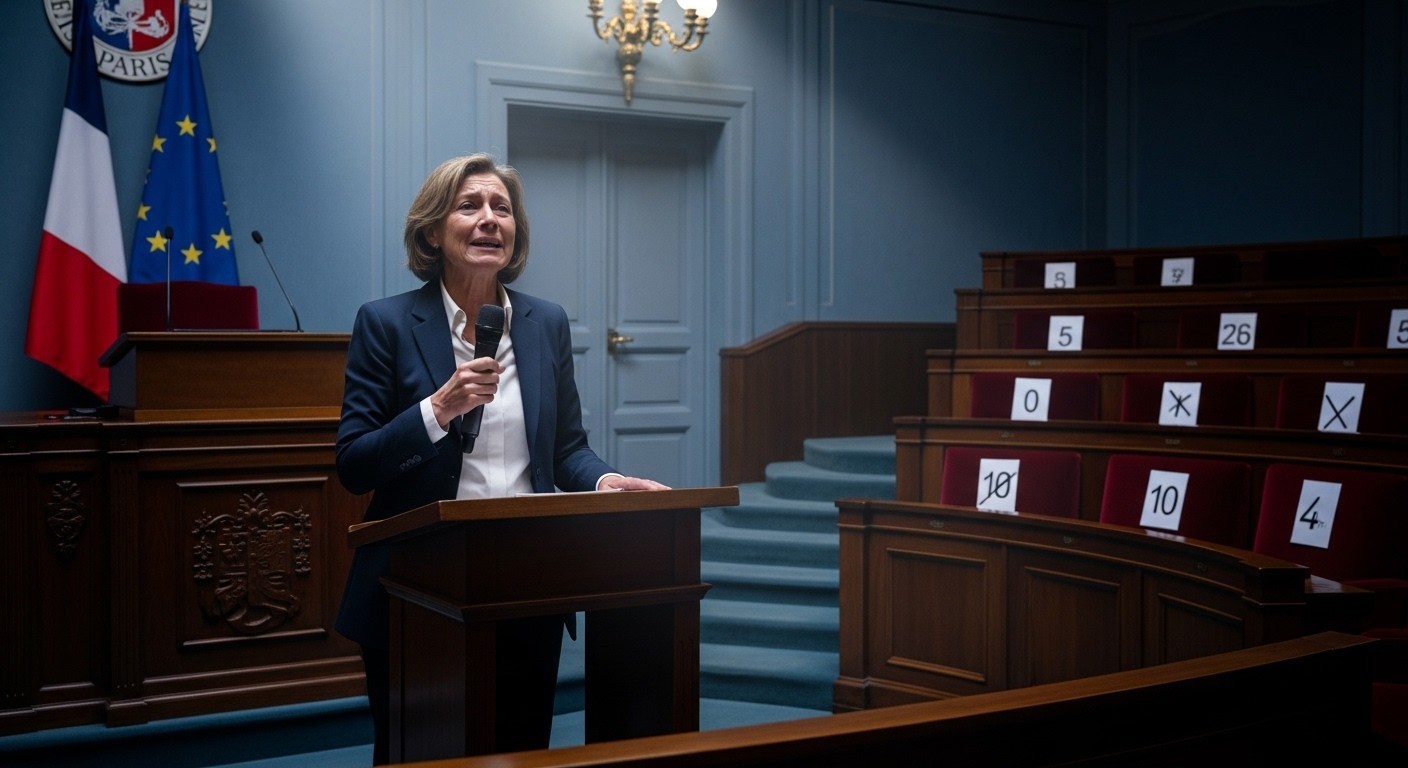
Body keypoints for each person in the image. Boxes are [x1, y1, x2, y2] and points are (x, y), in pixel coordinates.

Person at [334, 153, 669, 764]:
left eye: (502, 208)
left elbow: (566, 448)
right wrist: (437, 410)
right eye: (470, 206)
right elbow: (355, 463)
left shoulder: (545, 324)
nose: (490, 219)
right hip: (417, 585)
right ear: (433, 231)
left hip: (526, 578)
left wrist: (603, 480)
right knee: (420, 753)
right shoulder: (384, 322)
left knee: (519, 750)